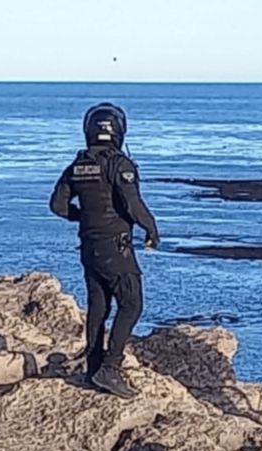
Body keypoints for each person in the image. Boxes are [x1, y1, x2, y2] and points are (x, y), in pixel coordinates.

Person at [50, 102, 159, 399]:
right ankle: (110, 368)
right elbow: (132, 204)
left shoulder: (77, 166)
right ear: (119, 131)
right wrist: (151, 228)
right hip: (116, 246)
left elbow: (57, 206)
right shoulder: (119, 165)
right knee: (131, 304)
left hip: (89, 248)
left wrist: (84, 217)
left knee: (98, 307)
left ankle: (93, 368)